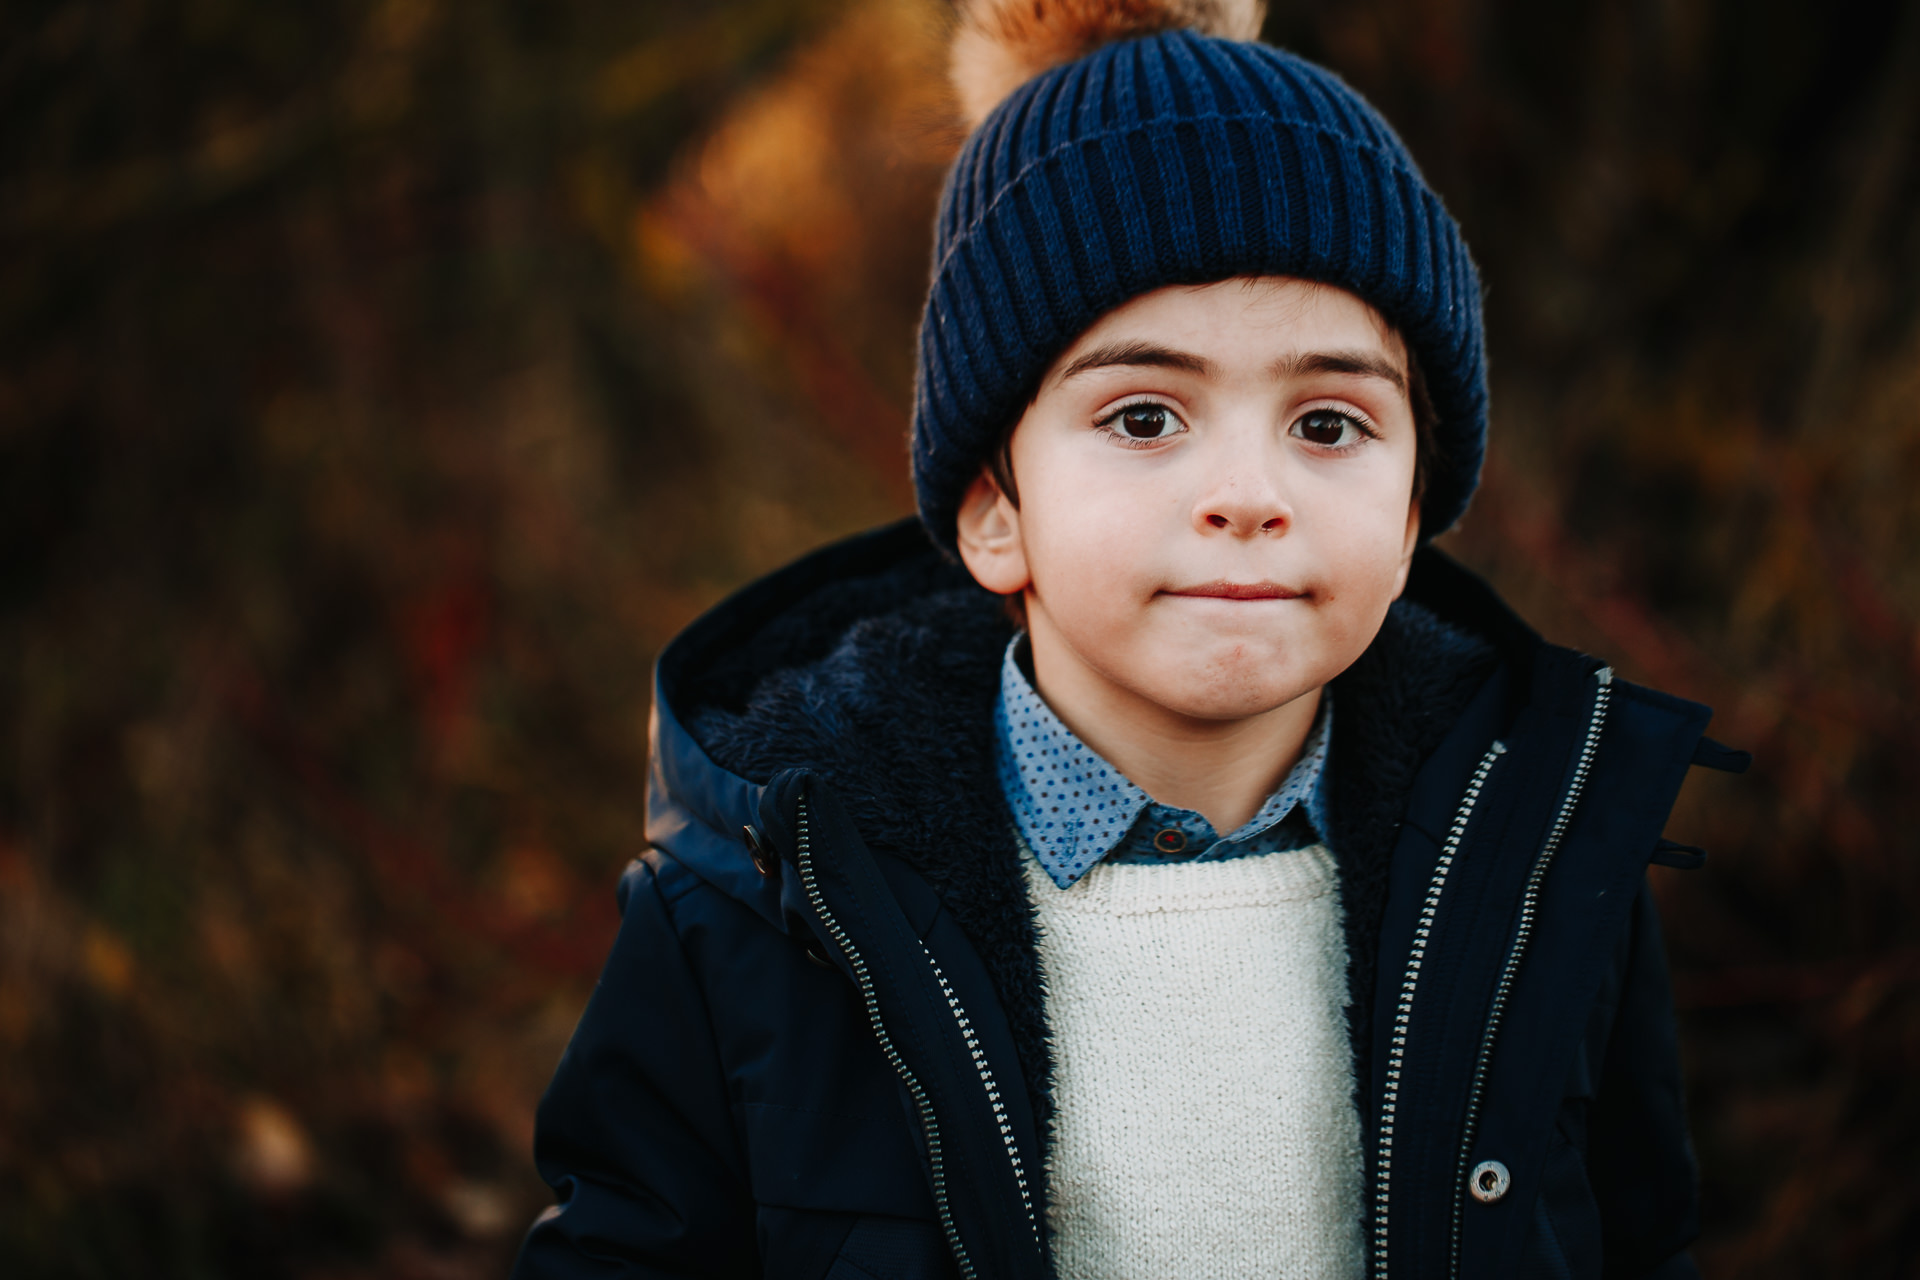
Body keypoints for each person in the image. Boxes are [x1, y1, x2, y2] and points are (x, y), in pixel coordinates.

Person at [512, 2, 1744, 1276]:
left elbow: (1634, 1238)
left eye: (1328, 424)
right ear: (998, 511)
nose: (1249, 491)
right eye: (1148, 415)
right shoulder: (760, 908)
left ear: (1414, 508)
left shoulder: (1542, 862)